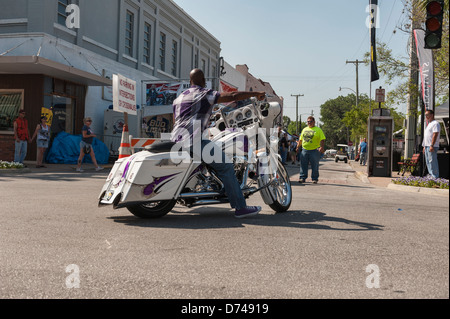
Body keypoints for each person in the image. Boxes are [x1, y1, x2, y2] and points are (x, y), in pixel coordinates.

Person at [171, 68, 265, 218]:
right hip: (193, 141)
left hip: (175, 140)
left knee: (210, 160)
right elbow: (233, 95)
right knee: (227, 167)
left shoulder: (179, 98)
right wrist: (255, 93)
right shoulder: (204, 94)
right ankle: (241, 207)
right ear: (203, 82)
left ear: (190, 82)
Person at [296, 116, 326, 184]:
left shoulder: (318, 130)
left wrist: (322, 147)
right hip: (305, 150)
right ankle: (302, 178)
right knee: (303, 164)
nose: (309, 123)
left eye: (310, 121)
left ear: (314, 122)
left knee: (314, 165)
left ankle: (314, 178)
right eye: (308, 121)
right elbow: (300, 139)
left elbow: (322, 139)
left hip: (314, 150)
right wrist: (298, 147)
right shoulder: (304, 129)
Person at [422, 109, 440, 178]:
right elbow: (426, 136)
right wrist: (424, 146)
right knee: (428, 162)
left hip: (432, 146)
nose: (426, 116)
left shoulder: (435, 123)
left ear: (432, 115)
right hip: (427, 146)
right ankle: (431, 175)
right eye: (425, 115)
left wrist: (431, 145)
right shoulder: (429, 124)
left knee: (432, 161)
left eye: (427, 115)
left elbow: (435, 134)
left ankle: (435, 176)